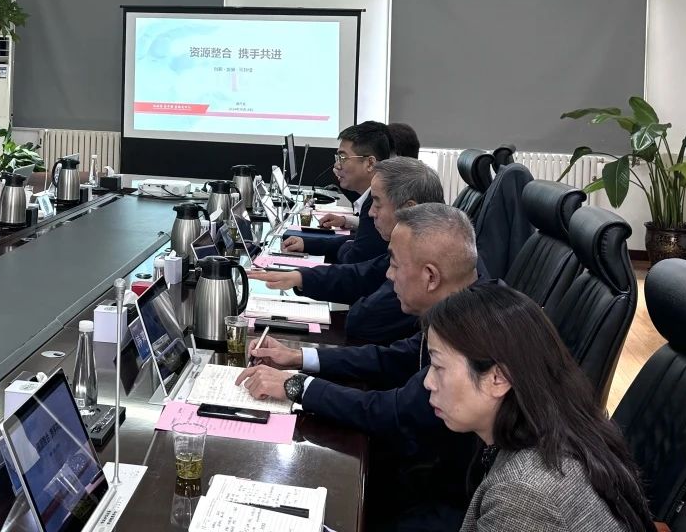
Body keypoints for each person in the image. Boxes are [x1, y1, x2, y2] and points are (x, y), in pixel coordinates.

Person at [240, 203, 484, 530]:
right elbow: (392, 358)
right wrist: (298, 357)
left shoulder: (473, 333)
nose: (389, 275)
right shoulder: (467, 303)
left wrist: (294, 385)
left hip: (441, 501)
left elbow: (393, 412)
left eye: (394, 265)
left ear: (430, 277)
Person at [424, 284, 655, 532]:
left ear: (498, 378)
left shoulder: (523, 495)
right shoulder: (560, 423)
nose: (428, 382)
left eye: (438, 366)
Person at [252, 157, 443, 344]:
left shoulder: (421, 265)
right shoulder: (420, 246)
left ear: (410, 209)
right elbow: (363, 274)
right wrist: (300, 277)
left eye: (377, 203)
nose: (370, 213)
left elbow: (362, 319)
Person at [286, 121, 392, 263]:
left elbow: (354, 260)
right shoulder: (372, 198)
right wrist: (307, 244)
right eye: (337, 158)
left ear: (370, 163)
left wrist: (346, 246)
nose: (336, 165)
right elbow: (356, 240)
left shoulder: (378, 203)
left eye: (342, 158)